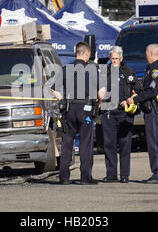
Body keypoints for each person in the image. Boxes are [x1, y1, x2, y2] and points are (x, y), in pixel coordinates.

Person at [51, 42, 105, 185]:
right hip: (85, 110)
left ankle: (64, 177)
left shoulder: (66, 69)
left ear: (76, 53)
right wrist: (99, 101)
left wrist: (62, 98)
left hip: (69, 109)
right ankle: (85, 177)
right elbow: (102, 93)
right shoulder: (92, 70)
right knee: (85, 143)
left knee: (67, 142)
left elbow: (54, 90)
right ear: (86, 54)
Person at [126, 43, 158, 184]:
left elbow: (152, 91)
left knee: (155, 144)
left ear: (151, 53)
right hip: (150, 111)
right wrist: (137, 93)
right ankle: (157, 173)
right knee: (152, 143)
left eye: (146, 52)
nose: (145, 55)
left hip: (155, 111)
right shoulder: (151, 69)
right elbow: (146, 89)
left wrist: (135, 100)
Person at [101, 46, 141, 183]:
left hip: (125, 113)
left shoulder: (129, 72)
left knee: (125, 144)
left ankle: (125, 175)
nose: (114, 61)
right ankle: (111, 174)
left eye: (116, 59)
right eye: (112, 59)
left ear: (121, 58)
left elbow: (137, 90)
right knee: (109, 144)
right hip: (108, 112)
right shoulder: (104, 73)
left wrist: (130, 99)